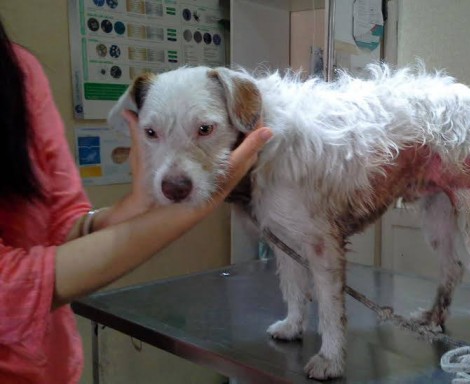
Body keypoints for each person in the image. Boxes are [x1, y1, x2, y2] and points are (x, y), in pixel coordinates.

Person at [0, 19, 272, 384]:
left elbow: (63, 222)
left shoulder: (18, 71)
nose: (176, 171)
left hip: (52, 365)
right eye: (151, 133)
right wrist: (209, 196)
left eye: (204, 130)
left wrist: (136, 204)